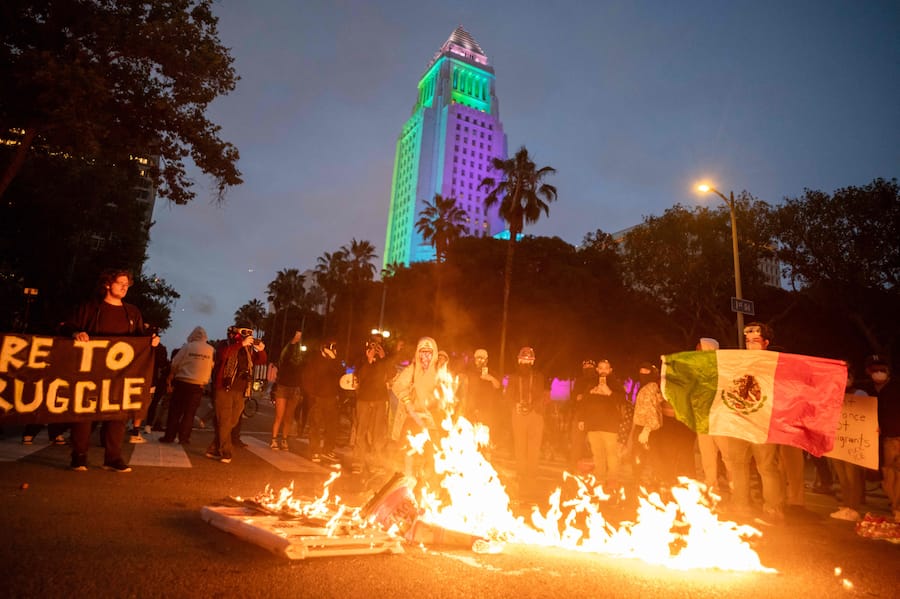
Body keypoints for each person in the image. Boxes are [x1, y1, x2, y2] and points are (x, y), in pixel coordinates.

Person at [63, 268, 159, 472]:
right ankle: (79, 456)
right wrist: (76, 333)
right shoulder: (89, 308)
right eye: (120, 283)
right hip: (90, 373)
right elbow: (65, 327)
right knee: (85, 414)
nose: (125, 287)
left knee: (118, 415)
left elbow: (141, 338)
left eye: (127, 284)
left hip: (120, 375)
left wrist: (151, 340)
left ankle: (113, 458)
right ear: (107, 284)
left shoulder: (132, 313)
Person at [717, 322, 784, 521]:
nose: (750, 345)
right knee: (738, 465)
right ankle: (740, 506)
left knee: (766, 468)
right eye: (747, 341)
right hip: (739, 423)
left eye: (755, 341)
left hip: (763, 425)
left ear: (766, 343)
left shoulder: (775, 363)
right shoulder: (738, 361)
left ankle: (772, 508)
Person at [204, 326, 266, 464]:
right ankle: (225, 451)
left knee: (232, 421)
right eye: (244, 332)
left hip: (241, 389)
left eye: (250, 333)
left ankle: (214, 447)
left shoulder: (247, 349)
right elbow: (223, 355)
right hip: (224, 388)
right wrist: (240, 344)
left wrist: (260, 350)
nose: (248, 335)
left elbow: (260, 360)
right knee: (225, 420)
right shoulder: (225, 344)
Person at [576, 358, 629, 493]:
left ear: (610, 370)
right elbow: (584, 402)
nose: (603, 370)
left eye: (606, 368)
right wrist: (582, 419)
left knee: (611, 454)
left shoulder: (616, 384)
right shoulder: (591, 383)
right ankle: (599, 479)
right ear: (597, 370)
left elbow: (623, 400)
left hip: (610, 426)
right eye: (601, 368)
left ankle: (612, 480)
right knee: (597, 454)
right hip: (593, 425)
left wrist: (609, 392)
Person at [506, 346, 550, 501]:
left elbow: (541, 394)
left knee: (534, 446)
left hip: (535, 414)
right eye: (523, 359)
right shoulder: (512, 377)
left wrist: (532, 406)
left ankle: (531, 476)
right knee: (519, 445)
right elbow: (508, 396)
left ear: (532, 361)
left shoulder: (538, 376)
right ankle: (521, 474)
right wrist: (516, 405)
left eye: (529, 360)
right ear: (519, 360)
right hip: (518, 414)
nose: (526, 362)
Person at [159, 326, 214, 445]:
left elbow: (175, 362)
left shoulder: (188, 346)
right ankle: (184, 438)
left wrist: (172, 375)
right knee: (189, 414)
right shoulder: (210, 349)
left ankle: (169, 436)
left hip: (182, 383)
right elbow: (211, 366)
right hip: (198, 385)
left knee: (175, 412)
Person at [861, 354, 900, 522]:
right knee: (886, 476)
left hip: (895, 438)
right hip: (877, 441)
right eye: (874, 370)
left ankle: (897, 508)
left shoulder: (897, 387)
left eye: (882, 370)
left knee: (895, 473)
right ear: (869, 372)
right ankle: (895, 505)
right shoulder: (868, 390)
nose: (878, 373)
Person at [828, 368, 869, 522]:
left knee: (853, 476)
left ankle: (854, 508)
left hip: (853, 441)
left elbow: (867, 416)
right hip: (837, 440)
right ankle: (846, 505)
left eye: (848, 377)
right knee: (842, 476)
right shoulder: (833, 394)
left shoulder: (860, 394)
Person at [694, 337, 729, 494]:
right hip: (703, 421)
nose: (697, 353)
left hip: (721, 421)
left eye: (700, 350)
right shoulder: (696, 371)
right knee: (707, 457)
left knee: (729, 457)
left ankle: (737, 490)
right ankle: (711, 489)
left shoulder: (723, 370)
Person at [302, 340, 343, 463]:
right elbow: (308, 377)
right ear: (324, 348)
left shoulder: (334, 362)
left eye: (334, 347)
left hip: (331, 398)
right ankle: (315, 450)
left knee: (332, 426)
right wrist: (312, 395)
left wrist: (333, 359)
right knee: (316, 425)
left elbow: (340, 373)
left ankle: (328, 449)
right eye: (331, 347)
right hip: (317, 398)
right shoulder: (315, 360)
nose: (333, 350)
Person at [353, 336, 391, 470]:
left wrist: (384, 358)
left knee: (378, 432)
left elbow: (392, 374)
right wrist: (368, 360)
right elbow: (360, 377)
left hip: (380, 398)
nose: (376, 347)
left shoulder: (384, 359)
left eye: (379, 344)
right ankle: (358, 460)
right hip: (364, 398)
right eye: (374, 344)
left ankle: (375, 460)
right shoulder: (361, 359)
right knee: (361, 430)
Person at [271, 331, 304, 450]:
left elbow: (303, 374)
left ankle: (284, 440)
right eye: (296, 335)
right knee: (279, 416)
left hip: (294, 388)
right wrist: (293, 341)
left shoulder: (301, 358)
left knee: (289, 417)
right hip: (283, 387)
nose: (298, 339)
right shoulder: (285, 355)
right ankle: (274, 439)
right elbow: (287, 350)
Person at [569, 359, 599, 472]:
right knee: (577, 443)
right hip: (580, 414)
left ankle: (593, 469)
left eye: (590, 367)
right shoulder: (579, 381)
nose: (588, 369)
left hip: (594, 416)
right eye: (585, 367)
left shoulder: (598, 381)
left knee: (594, 444)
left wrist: (584, 397)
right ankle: (574, 467)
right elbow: (573, 398)